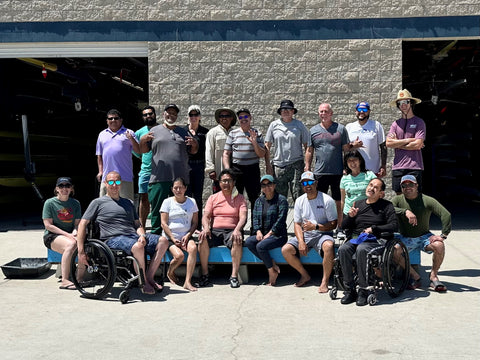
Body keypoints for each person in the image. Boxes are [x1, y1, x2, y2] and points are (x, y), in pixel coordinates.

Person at [77, 171, 169, 295]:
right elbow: (83, 224)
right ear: (105, 183)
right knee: (138, 246)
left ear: (121, 184)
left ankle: (149, 277)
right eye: (111, 182)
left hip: (132, 236)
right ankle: (144, 282)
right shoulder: (97, 203)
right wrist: (81, 250)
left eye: (117, 182)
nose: (114, 185)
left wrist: (142, 235)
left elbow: (137, 225)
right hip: (112, 239)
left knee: (163, 241)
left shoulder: (128, 203)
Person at [139, 104, 198, 235]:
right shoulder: (154, 131)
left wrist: (195, 144)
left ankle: (177, 234)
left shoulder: (183, 132)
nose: (171, 115)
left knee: (178, 209)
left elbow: (193, 151)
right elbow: (144, 150)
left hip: (179, 179)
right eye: (168, 113)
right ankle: (155, 236)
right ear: (164, 114)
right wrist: (143, 140)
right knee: (157, 208)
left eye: (174, 113)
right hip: (158, 177)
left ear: (177, 116)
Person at [338, 178, 398, 306]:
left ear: (381, 193)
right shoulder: (358, 204)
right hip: (359, 238)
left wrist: (374, 229)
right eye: (370, 185)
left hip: (377, 239)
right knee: (343, 249)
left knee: (362, 249)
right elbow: (344, 226)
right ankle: (350, 289)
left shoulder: (387, 206)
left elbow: (394, 225)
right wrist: (350, 217)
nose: (371, 188)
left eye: (376, 187)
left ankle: (364, 290)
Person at [391, 175, 451, 292]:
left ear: (417, 186)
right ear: (401, 187)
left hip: (424, 236)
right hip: (406, 238)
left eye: (411, 184)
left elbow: (445, 214)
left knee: (439, 245)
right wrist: (405, 211)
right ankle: (415, 276)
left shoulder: (427, 200)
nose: (408, 187)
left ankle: (433, 276)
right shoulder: (398, 199)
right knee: (394, 251)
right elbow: (388, 208)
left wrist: (443, 235)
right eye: (404, 185)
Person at [281, 171, 337, 293]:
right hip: (306, 234)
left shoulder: (327, 200)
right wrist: (301, 241)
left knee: (329, 246)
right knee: (285, 250)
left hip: (322, 234)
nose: (308, 185)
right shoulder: (300, 200)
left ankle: (325, 281)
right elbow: (297, 224)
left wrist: (316, 227)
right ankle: (305, 275)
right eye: (305, 183)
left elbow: (333, 224)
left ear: (316, 183)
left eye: (310, 182)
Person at [198, 169, 248, 288]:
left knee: (237, 240)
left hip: (232, 230)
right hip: (215, 230)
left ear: (234, 182)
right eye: (223, 181)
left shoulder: (240, 198)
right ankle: (205, 274)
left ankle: (234, 276)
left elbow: (243, 217)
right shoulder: (213, 198)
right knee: (202, 238)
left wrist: (237, 229)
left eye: (229, 180)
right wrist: (205, 228)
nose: (226, 183)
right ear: (219, 183)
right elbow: (205, 216)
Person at [305, 103, 350, 234]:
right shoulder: (313, 130)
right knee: (319, 200)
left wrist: (346, 168)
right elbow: (309, 150)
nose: (323, 114)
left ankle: (340, 227)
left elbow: (346, 150)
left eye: (325, 111)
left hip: (338, 172)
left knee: (339, 201)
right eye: (321, 112)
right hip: (320, 172)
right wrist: (307, 167)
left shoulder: (340, 129)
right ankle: (322, 227)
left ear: (331, 113)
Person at [244, 175, 288, 286]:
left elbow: (281, 219)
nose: (266, 187)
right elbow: (254, 218)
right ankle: (272, 263)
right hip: (263, 234)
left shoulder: (281, 200)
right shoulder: (259, 201)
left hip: (278, 235)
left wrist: (270, 233)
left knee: (260, 246)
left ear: (274, 185)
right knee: (249, 242)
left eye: (269, 184)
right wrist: (258, 231)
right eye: (263, 185)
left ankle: (271, 272)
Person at [265, 99, 310, 202]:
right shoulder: (274, 125)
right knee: (279, 198)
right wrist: (268, 165)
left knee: (299, 196)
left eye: (289, 109)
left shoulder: (299, 125)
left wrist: (307, 165)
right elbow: (267, 145)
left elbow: (307, 146)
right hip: (279, 166)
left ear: (293, 111)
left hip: (296, 165)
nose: (286, 111)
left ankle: (299, 218)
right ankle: (281, 218)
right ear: (280, 112)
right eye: (283, 109)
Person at [223, 108, 265, 216]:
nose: (243, 119)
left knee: (254, 198)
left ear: (250, 118)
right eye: (241, 117)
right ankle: (238, 229)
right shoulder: (233, 133)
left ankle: (255, 228)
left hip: (252, 169)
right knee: (236, 198)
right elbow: (226, 154)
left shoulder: (257, 133)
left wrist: (254, 142)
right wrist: (228, 170)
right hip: (237, 170)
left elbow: (261, 154)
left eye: (246, 116)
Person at [42, 177, 81, 290]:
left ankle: (79, 278)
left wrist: (75, 232)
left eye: (67, 186)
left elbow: (77, 224)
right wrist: (68, 235)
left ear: (71, 189)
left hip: (70, 234)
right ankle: (65, 280)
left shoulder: (75, 203)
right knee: (70, 244)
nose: (64, 188)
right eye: (61, 186)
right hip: (52, 236)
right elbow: (48, 225)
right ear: (57, 189)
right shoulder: (49, 203)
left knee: (82, 243)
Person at [160, 177, 199, 292]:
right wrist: (172, 237)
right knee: (179, 256)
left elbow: (195, 222)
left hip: (186, 235)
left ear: (185, 188)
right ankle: (170, 271)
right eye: (175, 188)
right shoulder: (167, 202)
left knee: (193, 248)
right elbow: (163, 223)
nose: (178, 190)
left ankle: (187, 281)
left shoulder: (192, 202)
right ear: (172, 189)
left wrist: (188, 235)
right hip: (170, 236)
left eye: (180, 187)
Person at [386, 89, 426, 194]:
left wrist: (397, 143)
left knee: (414, 198)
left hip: (414, 166)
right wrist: (408, 140)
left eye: (406, 102)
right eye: (400, 103)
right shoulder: (395, 124)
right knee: (399, 197)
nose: (403, 105)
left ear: (411, 103)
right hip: (398, 166)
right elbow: (388, 143)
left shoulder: (419, 122)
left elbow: (417, 144)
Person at [96, 109, 139, 201]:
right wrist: (100, 171)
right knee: (104, 205)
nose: (113, 120)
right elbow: (99, 155)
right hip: (106, 178)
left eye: (116, 118)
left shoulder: (129, 133)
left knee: (127, 205)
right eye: (110, 118)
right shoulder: (102, 134)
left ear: (121, 120)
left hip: (125, 177)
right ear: (107, 121)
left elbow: (138, 151)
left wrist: (131, 139)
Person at [340, 150, 377, 236]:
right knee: (351, 240)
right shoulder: (344, 179)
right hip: (349, 214)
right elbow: (343, 200)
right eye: (349, 160)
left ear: (360, 160)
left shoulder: (369, 175)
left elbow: (378, 193)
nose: (352, 163)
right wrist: (343, 217)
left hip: (366, 213)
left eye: (354, 160)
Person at [183, 105, 209, 229]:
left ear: (200, 117)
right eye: (191, 115)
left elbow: (208, 150)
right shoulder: (182, 131)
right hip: (185, 166)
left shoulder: (205, 132)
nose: (193, 117)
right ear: (188, 117)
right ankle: (186, 224)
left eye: (196, 115)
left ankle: (197, 225)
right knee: (186, 195)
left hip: (199, 165)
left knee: (197, 196)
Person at [346, 101, 387, 177]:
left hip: (372, 170)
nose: (361, 112)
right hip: (354, 171)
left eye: (364, 110)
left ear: (368, 112)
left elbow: (383, 147)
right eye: (359, 109)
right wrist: (352, 145)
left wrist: (383, 165)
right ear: (355, 111)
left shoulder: (376, 125)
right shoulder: (349, 127)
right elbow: (344, 149)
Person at [133, 105, 158, 227]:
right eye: (145, 114)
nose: (148, 116)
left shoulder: (163, 129)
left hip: (160, 171)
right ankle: (142, 226)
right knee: (144, 198)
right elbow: (136, 151)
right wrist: (142, 157)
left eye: (150, 114)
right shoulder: (139, 132)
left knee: (160, 199)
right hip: (146, 171)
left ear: (155, 114)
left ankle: (159, 224)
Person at [205, 107, 236, 193]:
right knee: (219, 199)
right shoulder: (213, 132)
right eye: (222, 116)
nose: (224, 118)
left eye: (227, 116)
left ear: (231, 118)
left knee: (234, 198)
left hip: (234, 173)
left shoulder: (235, 133)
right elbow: (209, 151)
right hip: (219, 174)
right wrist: (211, 169)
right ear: (219, 118)